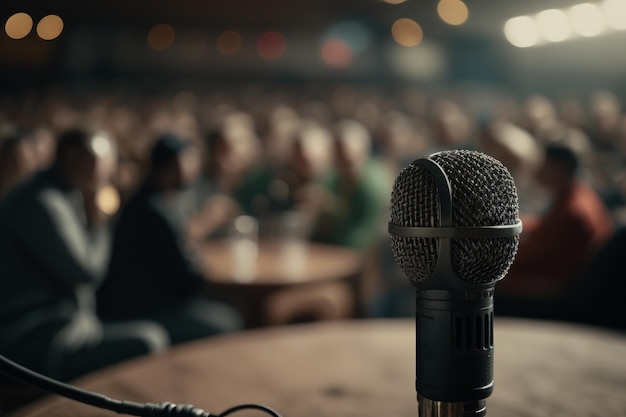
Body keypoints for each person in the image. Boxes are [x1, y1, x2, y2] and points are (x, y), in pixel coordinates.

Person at [0, 127, 169, 381]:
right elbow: (85, 272)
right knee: (149, 340)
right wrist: (98, 220)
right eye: (99, 161)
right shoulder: (41, 202)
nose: (106, 172)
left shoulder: (62, 194)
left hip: (64, 328)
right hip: (37, 342)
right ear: (70, 157)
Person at [97, 133, 244, 344]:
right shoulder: (156, 210)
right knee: (229, 320)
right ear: (172, 166)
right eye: (189, 162)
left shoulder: (148, 201)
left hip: (143, 302)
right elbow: (189, 280)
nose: (194, 170)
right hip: (143, 310)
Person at [498, 143, 614, 299]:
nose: (537, 170)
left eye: (544, 164)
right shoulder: (581, 193)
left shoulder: (572, 210)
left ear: (558, 167)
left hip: (559, 286)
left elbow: (528, 254)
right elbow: (548, 229)